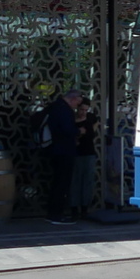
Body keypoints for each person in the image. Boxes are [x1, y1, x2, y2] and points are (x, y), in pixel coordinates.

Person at [46, 89, 83, 225]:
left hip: (56, 149)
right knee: (62, 183)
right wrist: (79, 131)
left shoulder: (55, 106)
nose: (76, 107)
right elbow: (67, 129)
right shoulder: (64, 110)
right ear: (73, 99)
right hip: (63, 150)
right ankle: (56, 214)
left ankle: (53, 212)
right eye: (77, 103)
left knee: (58, 182)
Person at [71, 98, 99, 221]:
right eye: (81, 109)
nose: (83, 112)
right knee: (75, 181)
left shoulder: (91, 118)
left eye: (86, 110)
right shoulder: (72, 120)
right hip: (76, 153)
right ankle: (74, 208)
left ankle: (84, 208)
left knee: (87, 181)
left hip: (88, 152)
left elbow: (93, 131)